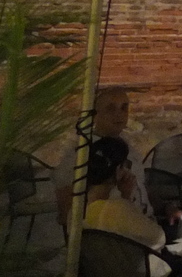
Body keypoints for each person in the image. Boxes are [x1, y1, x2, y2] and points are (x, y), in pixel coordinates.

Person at [85, 136, 182, 275]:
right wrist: (127, 198)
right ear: (119, 170)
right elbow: (158, 237)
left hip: (108, 271)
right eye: (126, 164)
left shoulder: (79, 211)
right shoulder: (117, 208)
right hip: (146, 271)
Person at [56, 87, 150, 223]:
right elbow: (68, 213)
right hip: (116, 228)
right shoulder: (81, 155)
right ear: (95, 115)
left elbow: (141, 189)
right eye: (110, 108)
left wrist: (167, 207)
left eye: (124, 107)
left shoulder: (128, 147)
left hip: (147, 220)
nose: (119, 114)